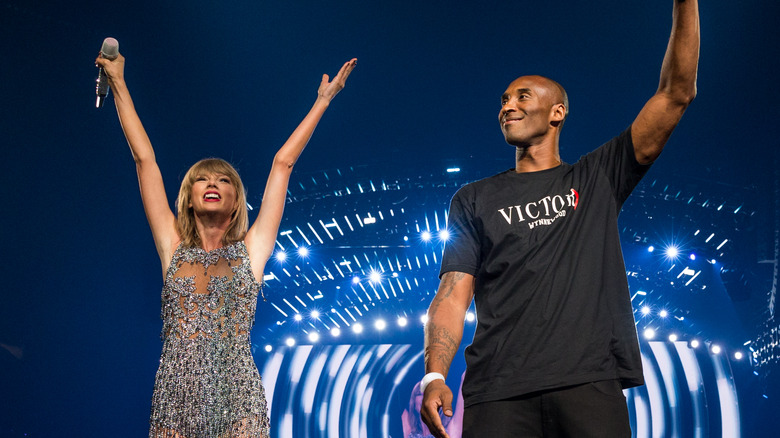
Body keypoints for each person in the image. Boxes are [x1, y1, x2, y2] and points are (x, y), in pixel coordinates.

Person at [420, 1, 699, 437]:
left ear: (557, 113)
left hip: (587, 383)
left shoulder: (597, 176)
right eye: (504, 100)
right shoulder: (473, 198)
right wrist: (434, 375)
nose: (507, 106)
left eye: (522, 96)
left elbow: (675, 94)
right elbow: (453, 294)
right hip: (497, 391)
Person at [96, 50, 356, 437]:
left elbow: (282, 163)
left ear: (237, 202)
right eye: (203, 179)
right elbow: (144, 160)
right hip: (175, 397)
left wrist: (323, 100)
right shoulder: (172, 244)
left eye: (224, 180)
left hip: (238, 396)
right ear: (188, 196)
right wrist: (118, 82)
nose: (213, 184)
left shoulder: (252, 251)